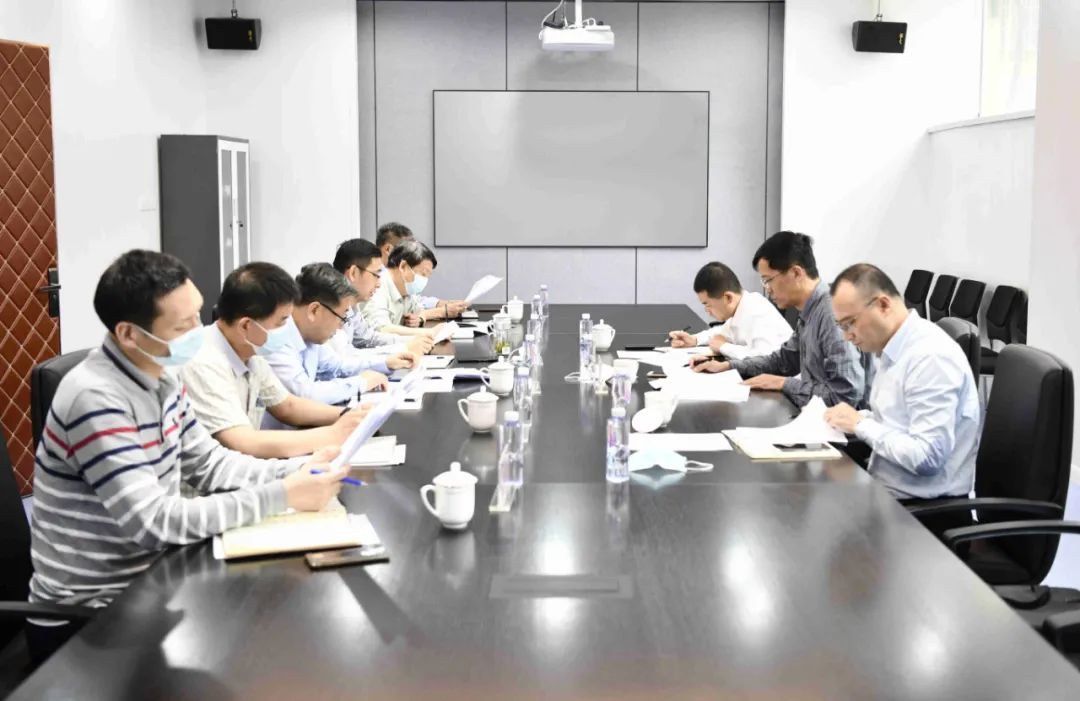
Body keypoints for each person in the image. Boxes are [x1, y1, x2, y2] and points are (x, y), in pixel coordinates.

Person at [27, 250, 347, 658]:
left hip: (153, 582)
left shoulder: (162, 376)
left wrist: (300, 469)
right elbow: (153, 521)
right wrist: (282, 494)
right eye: (183, 325)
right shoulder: (96, 398)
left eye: (197, 314)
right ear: (129, 334)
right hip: (89, 618)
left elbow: (209, 464)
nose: (200, 331)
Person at [181, 262, 373, 458]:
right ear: (246, 326)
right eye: (282, 321)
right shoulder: (204, 361)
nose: (287, 328)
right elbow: (243, 442)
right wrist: (333, 434)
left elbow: (287, 406)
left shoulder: (251, 353)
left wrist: (348, 415)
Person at [824, 263, 979, 500]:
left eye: (850, 323)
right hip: (888, 492)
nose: (846, 336)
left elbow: (927, 457)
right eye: (841, 326)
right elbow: (899, 421)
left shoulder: (930, 358)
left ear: (883, 305)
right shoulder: (893, 347)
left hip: (921, 511)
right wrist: (856, 418)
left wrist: (860, 425)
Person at [692, 231, 872, 408]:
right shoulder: (810, 310)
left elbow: (845, 396)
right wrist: (729, 366)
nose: (767, 289)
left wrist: (783, 383)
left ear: (796, 273)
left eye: (768, 280)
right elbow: (783, 362)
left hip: (842, 424)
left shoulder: (831, 313)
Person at [265, 263, 416, 408]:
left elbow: (338, 366)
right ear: (314, 310)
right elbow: (305, 393)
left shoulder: (311, 336)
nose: (341, 326)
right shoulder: (276, 341)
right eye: (341, 317)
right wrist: (361, 383)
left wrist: (386, 363)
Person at [667, 261, 792, 360]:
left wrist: (723, 347)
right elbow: (722, 332)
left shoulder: (756, 312)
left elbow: (765, 359)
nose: (707, 311)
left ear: (728, 298)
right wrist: (695, 340)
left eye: (708, 304)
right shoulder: (741, 307)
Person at [332, 238, 434, 356]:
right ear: (353, 273)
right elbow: (344, 358)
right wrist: (404, 347)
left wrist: (413, 341)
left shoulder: (351, 306)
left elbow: (369, 338)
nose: (378, 284)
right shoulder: (329, 307)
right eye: (376, 275)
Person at [373, 222, 467, 324]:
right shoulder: (376, 284)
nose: (413, 249)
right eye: (405, 246)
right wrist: (434, 325)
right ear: (403, 266)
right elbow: (381, 328)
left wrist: (438, 306)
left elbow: (417, 307)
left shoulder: (405, 286)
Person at [362, 240, 453, 337]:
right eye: (423, 274)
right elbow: (381, 329)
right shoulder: (377, 287)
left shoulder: (407, 291)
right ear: (403, 266)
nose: (424, 280)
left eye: (427, 276)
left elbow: (418, 312)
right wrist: (431, 332)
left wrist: (419, 319)